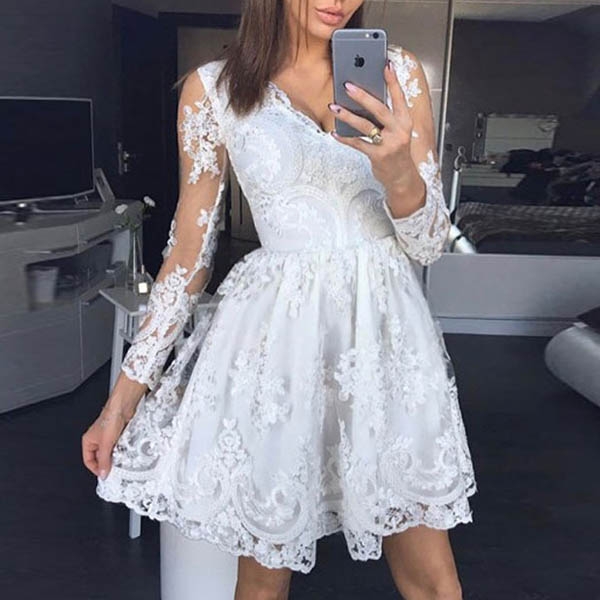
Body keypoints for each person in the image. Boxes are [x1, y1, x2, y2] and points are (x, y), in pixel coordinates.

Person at [82, 1, 477, 598]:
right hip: (278, 346)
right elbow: (188, 254)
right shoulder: (213, 89)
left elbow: (426, 244)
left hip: (386, 341)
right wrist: (120, 403)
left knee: (434, 580)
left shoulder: (397, 73)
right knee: (263, 579)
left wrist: (398, 170)